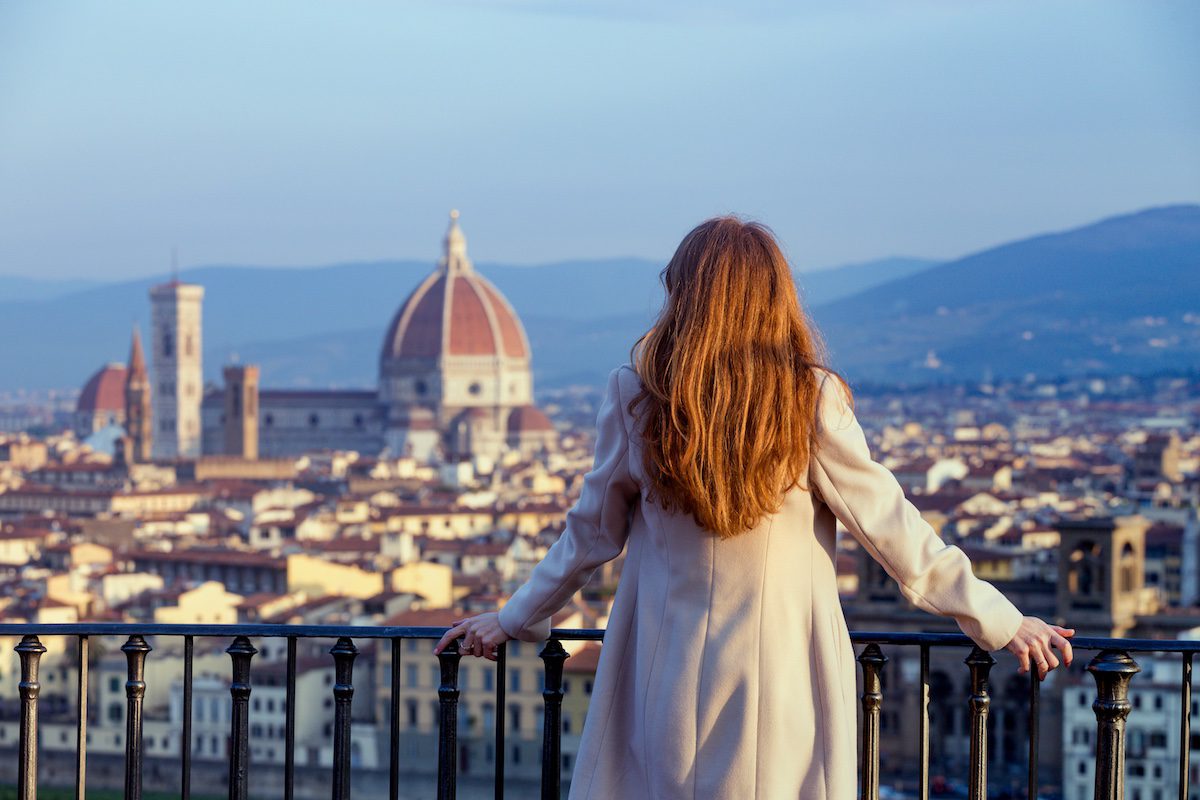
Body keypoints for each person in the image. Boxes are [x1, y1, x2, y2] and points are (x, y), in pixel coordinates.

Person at [435, 216, 1074, 799]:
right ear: (774, 296)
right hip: (781, 672)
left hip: (665, 671)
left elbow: (589, 536)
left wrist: (514, 616)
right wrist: (1000, 619)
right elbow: (893, 528)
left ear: (685, 294)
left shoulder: (639, 395)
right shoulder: (809, 397)